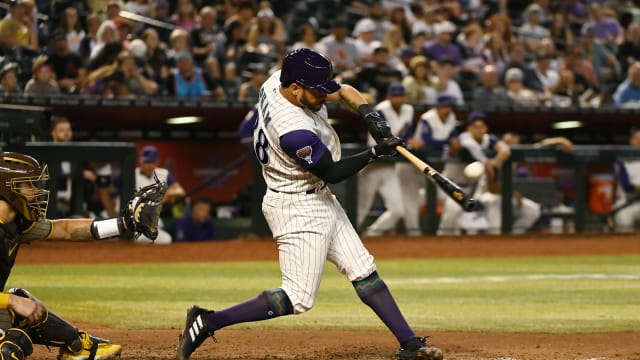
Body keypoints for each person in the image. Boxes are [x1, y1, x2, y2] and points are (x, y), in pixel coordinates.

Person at [177, 48, 443, 360]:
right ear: (295, 89)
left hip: (317, 195)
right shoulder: (292, 130)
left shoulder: (279, 79)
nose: (323, 98)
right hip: (296, 206)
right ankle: (208, 320)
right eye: (316, 93)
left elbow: (343, 91)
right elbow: (332, 171)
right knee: (298, 297)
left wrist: (371, 117)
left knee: (363, 269)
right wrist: (374, 153)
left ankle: (410, 344)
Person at [0, 151, 161, 359]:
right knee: (10, 346)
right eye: (28, 185)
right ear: (7, 188)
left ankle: (76, 347)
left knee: (26, 305)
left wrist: (123, 224)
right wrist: (11, 301)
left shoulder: (16, 224)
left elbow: (65, 229)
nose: (36, 192)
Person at [459, 112, 541, 235]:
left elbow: (535, 147)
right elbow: (492, 188)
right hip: (484, 196)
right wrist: (512, 194)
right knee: (495, 201)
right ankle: (495, 236)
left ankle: (513, 235)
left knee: (532, 210)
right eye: (509, 143)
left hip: (506, 196)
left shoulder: (502, 157)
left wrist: (559, 140)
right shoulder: (488, 153)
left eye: (515, 144)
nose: (512, 146)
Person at [358, 83, 412, 236]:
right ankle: (347, 238)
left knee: (398, 210)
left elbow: (406, 133)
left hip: (390, 168)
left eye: (401, 96)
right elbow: (373, 143)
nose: (398, 99)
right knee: (361, 210)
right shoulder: (381, 110)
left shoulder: (409, 110)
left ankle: (372, 234)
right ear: (389, 97)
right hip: (372, 167)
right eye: (395, 96)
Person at [133, 145, 186, 244]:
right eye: (147, 162)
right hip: (134, 221)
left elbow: (180, 192)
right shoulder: (132, 174)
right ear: (141, 161)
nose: (150, 166)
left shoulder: (163, 174)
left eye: (152, 162)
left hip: (152, 222)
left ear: (157, 162)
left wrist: (164, 195)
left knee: (166, 240)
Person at [612, 127, 640, 232]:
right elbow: (627, 186)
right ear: (631, 141)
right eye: (637, 139)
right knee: (624, 228)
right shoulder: (622, 160)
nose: (639, 142)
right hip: (626, 203)